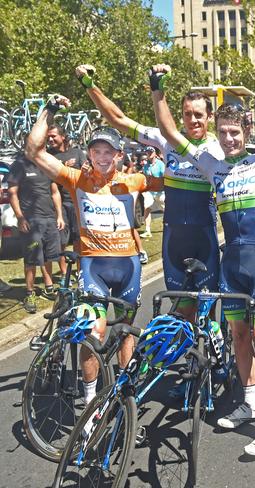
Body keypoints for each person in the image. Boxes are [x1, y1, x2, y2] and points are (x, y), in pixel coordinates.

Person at [150, 56, 255, 456]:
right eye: (223, 132)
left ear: (247, 131)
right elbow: (170, 131)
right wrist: (157, 89)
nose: (229, 139)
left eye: (235, 132)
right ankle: (251, 401)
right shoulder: (211, 166)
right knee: (239, 335)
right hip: (232, 262)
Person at [25, 95, 158, 404]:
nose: (101, 157)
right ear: (88, 153)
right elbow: (33, 151)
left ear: (119, 155)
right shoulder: (77, 179)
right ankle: (90, 402)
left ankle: (126, 400)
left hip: (128, 269)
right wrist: (50, 110)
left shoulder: (133, 181)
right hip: (93, 267)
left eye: (108, 151)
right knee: (92, 332)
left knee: (125, 332)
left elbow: (174, 176)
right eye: (96, 151)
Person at [75, 64, 221, 321]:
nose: (193, 120)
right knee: (182, 312)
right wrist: (90, 86)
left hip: (204, 238)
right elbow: (118, 120)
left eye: (199, 114)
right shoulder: (166, 140)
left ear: (209, 117)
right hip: (174, 238)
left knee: (209, 315)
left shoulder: (219, 147)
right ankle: (191, 361)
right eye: (188, 114)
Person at [7, 152, 65, 312]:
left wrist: (59, 215)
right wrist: (20, 218)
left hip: (49, 220)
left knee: (49, 255)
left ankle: (49, 287)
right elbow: (12, 193)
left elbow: (55, 192)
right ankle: (29, 293)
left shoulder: (46, 164)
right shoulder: (19, 165)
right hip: (31, 221)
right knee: (31, 259)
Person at [46, 123, 85, 277]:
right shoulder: (49, 156)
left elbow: (86, 172)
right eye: (48, 137)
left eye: (53, 136)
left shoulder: (77, 153)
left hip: (78, 202)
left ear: (63, 136)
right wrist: (62, 166)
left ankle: (80, 271)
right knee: (61, 240)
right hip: (60, 204)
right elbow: (50, 175)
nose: (50, 139)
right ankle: (64, 273)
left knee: (78, 239)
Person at [140, 146, 165, 238]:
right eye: (147, 152)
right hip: (150, 191)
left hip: (160, 192)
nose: (149, 153)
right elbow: (146, 178)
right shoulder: (146, 166)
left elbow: (164, 178)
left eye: (151, 152)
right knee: (147, 208)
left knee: (166, 210)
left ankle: (169, 226)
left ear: (155, 154)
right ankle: (147, 230)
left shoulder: (160, 164)